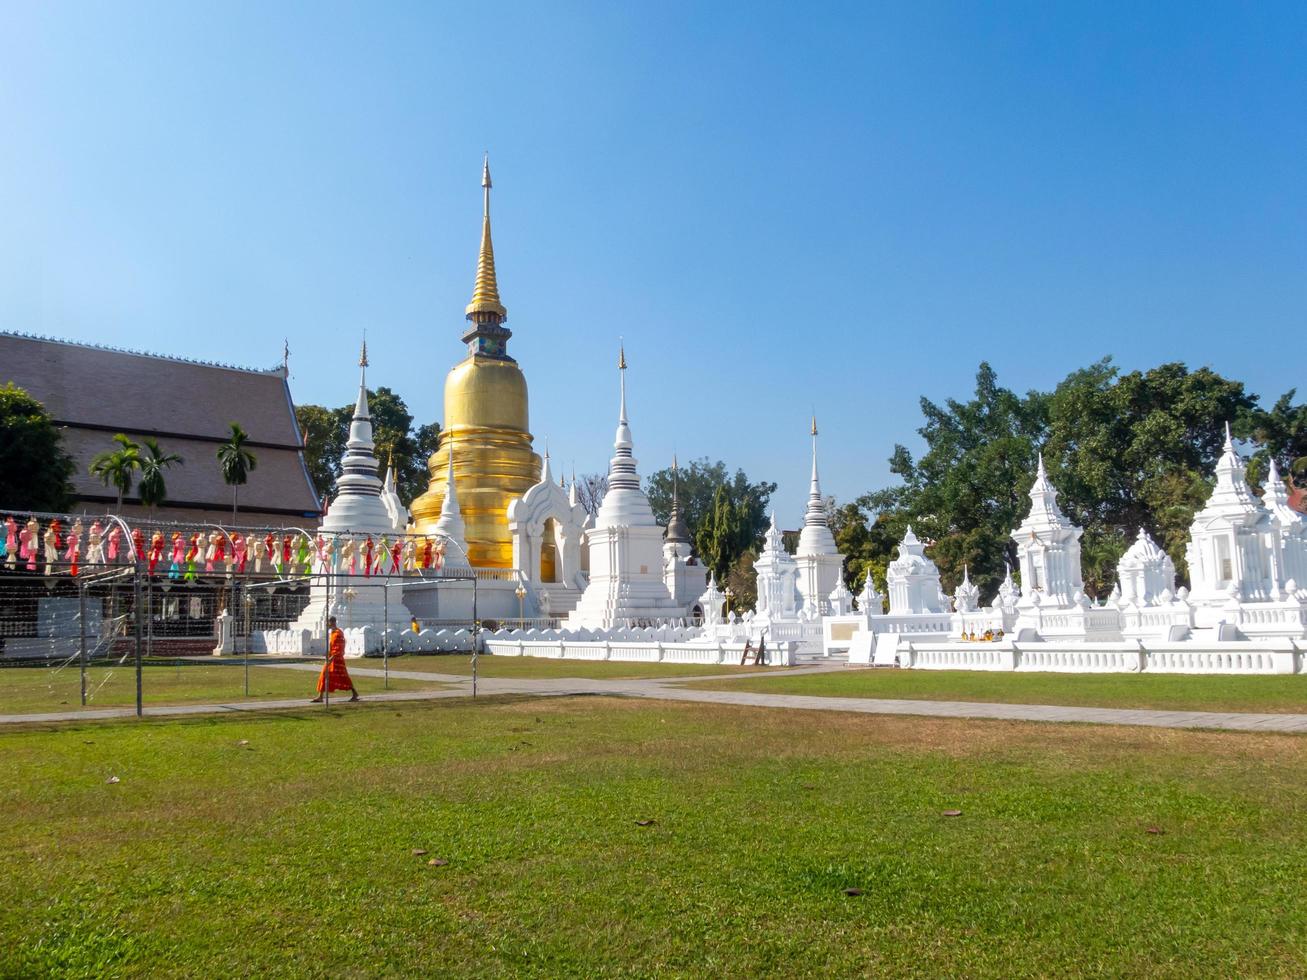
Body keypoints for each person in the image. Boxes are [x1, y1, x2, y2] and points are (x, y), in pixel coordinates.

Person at [312, 616, 359, 703]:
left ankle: (355, 693)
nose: (327, 624)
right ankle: (320, 696)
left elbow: (339, 647)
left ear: (333, 622)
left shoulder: (338, 633)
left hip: (337, 660)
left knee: (343, 677)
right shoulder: (333, 633)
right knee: (324, 675)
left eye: (328, 622)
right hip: (332, 658)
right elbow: (332, 646)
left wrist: (332, 657)